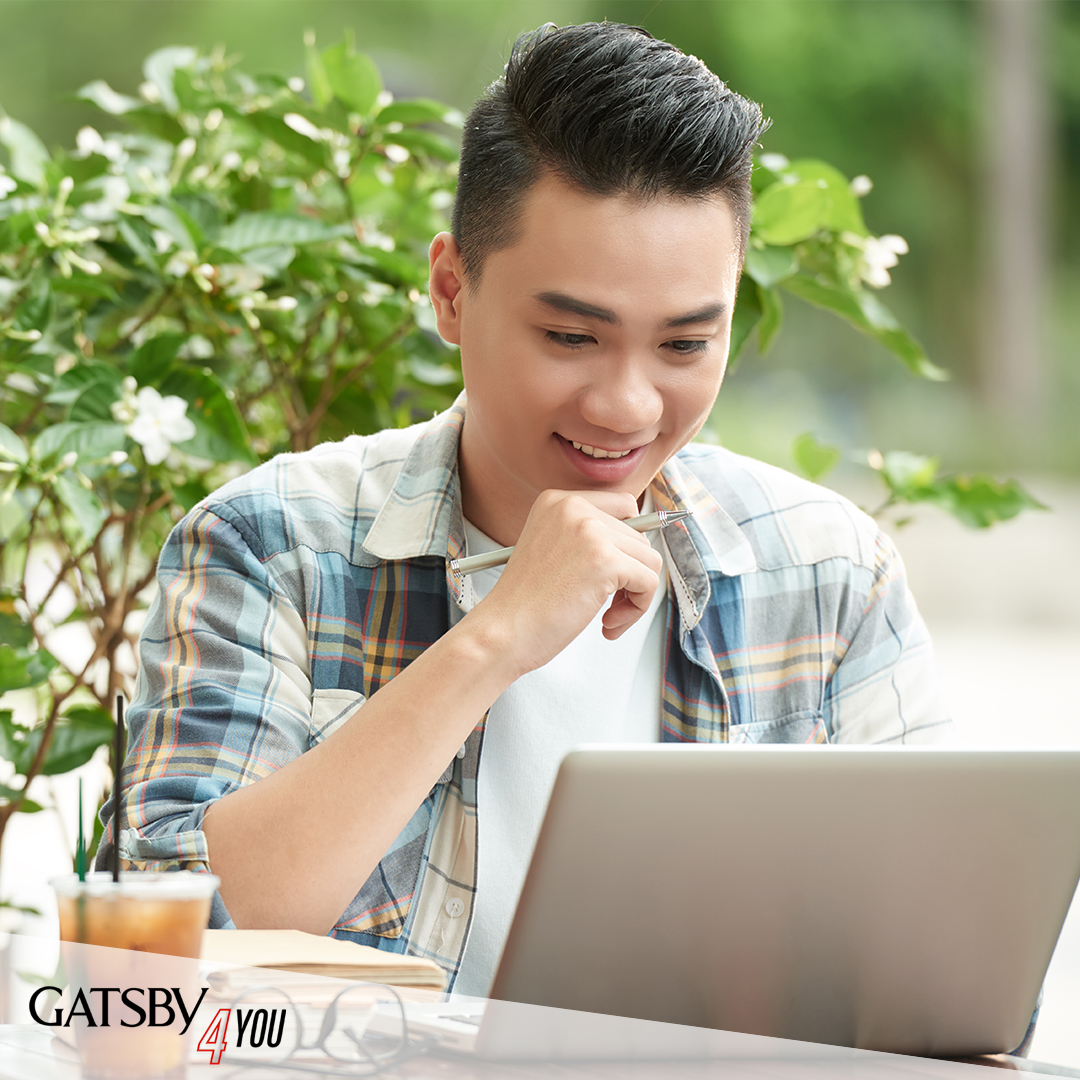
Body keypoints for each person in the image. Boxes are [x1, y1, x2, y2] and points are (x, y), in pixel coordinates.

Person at [98, 22, 952, 998]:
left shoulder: (826, 571)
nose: (627, 406)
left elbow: (940, 972)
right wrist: (493, 640)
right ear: (452, 291)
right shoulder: (266, 544)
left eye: (682, 346)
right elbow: (157, 952)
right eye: (571, 336)